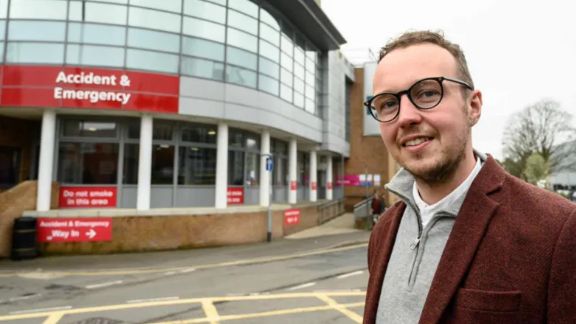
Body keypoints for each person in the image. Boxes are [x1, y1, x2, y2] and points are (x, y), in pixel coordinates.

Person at [362, 30, 576, 323]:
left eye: (427, 93)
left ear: (473, 106)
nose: (405, 117)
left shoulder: (558, 230)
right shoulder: (384, 229)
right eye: (387, 103)